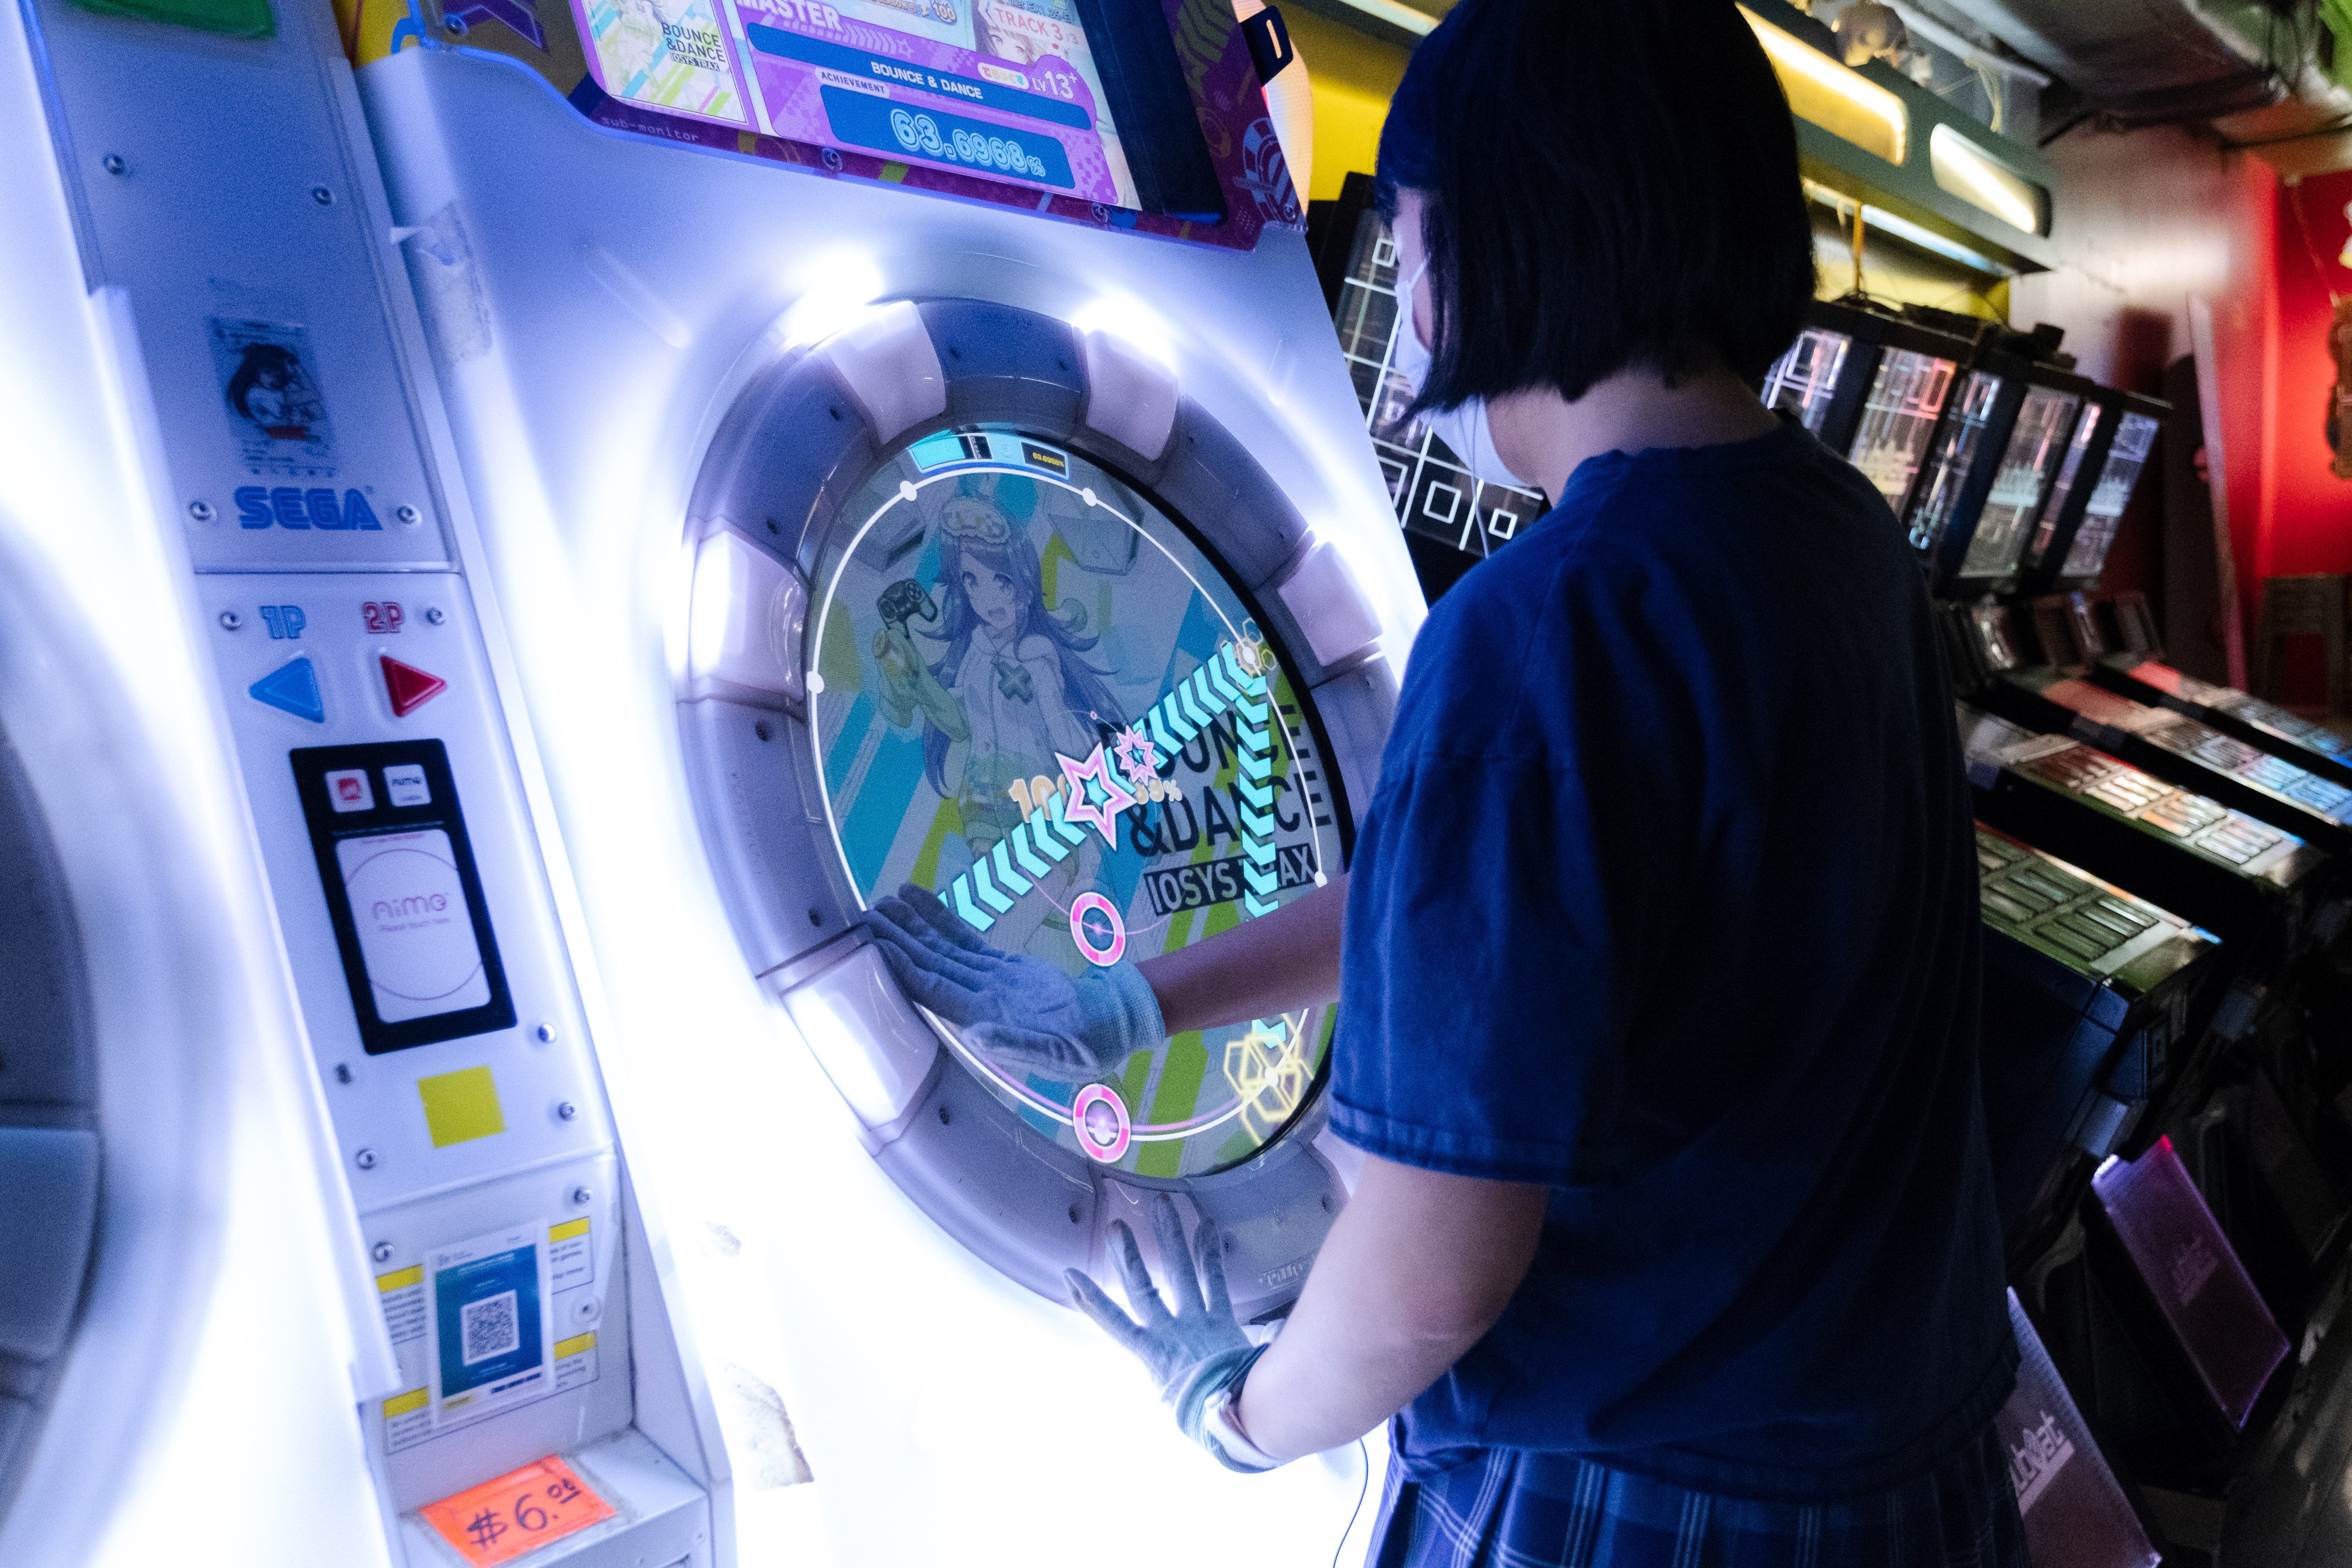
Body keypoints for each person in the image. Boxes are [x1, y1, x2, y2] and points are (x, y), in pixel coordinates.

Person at [862, 0, 2022, 1561]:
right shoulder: (1836, 537)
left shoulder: (1549, 620)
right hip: (1898, 1477)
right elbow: (1511, 892)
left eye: (1408, 252)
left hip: (1643, 1497)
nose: (1406, 317)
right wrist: (1134, 998)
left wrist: (1239, 1404)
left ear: (1511, 232)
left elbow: (1425, 1272)